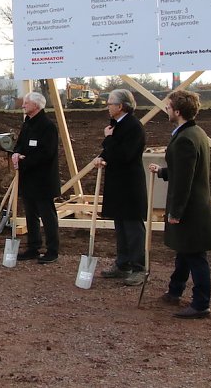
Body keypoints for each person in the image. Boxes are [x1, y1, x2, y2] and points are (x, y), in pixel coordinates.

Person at [149, 90, 211, 319]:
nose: (166, 110)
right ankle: (175, 290)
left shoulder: (184, 139)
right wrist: (162, 171)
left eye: (168, 107)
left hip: (190, 209)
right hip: (195, 206)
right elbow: (185, 170)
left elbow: (184, 181)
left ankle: (201, 304)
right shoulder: (195, 132)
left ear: (178, 111)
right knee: (184, 252)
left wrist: (175, 212)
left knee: (195, 256)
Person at [93, 89, 148, 286]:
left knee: (133, 226)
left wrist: (108, 139)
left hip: (130, 184)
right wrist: (102, 157)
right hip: (118, 183)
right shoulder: (117, 124)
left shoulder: (134, 127)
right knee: (121, 226)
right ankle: (123, 263)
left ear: (121, 106)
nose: (107, 107)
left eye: (110, 103)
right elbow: (112, 150)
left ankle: (138, 267)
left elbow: (125, 154)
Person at [11, 91, 61, 263]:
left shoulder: (47, 127)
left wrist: (26, 161)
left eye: (26, 103)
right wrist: (16, 154)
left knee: (47, 215)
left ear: (36, 105)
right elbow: (19, 144)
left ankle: (52, 250)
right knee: (30, 214)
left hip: (43, 180)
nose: (23, 105)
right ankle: (33, 247)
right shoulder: (27, 124)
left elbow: (47, 153)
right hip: (28, 179)